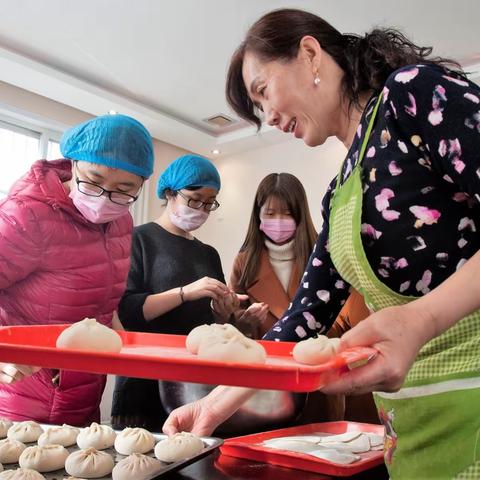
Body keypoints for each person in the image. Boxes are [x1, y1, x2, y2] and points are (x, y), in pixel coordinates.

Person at [163, 9, 480, 478]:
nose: (268, 117)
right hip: (416, 423)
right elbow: (303, 317)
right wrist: (215, 406)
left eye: (262, 92)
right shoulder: (341, 192)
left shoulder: (412, 93)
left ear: (310, 53)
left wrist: (423, 318)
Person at [0, 114, 154, 426]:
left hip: (84, 390)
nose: (104, 198)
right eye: (94, 181)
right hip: (22, 394)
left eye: (123, 189)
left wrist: (127, 348)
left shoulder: (121, 221)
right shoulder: (27, 214)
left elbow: (101, 300)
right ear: (72, 164)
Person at [111, 154, 242, 431]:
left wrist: (223, 313)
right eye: (195, 199)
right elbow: (128, 311)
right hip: (143, 381)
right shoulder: (138, 239)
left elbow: (216, 329)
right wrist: (184, 292)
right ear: (170, 192)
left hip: (193, 385)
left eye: (209, 203)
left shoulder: (208, 253)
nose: (202, 210)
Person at [230, 172, 317, 339]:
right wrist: (246, 322)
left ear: (300, 214)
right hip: (265, 356)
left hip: (315, 354)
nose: (279, 220)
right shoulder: (245, 261)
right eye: (270, 214)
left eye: (288, 213)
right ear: (258, 215)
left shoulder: (320, 253)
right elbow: (233, 316)